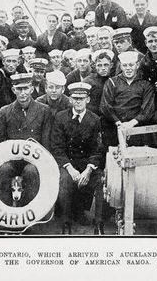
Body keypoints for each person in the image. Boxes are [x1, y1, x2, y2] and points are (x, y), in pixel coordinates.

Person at [51, 82, 104, 234]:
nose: (78, 101)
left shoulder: (94, 119)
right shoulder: (61, 118)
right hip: (68, 164)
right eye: (75, 98)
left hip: (88, 164)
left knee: (101, 181)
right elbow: (57, 148)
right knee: (65, 181)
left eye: (82, 98)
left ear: (88, 99)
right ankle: (66, 222)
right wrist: (70, 168)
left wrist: (88, 170)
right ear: (70, 99)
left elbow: (98, 149)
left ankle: (99, 225)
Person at [0, 73, 51, 206]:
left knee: (31, 172)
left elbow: (46, 142)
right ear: (13, 90)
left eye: (26, 88)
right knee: (3, 170)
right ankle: (5, 211)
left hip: (35, 161)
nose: (23, 93)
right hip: (12, 160)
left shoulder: (44, 110)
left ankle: (28, 213)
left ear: (31, 89)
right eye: (19, 89)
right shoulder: (5, 111)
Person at [100, 51, 155, 148]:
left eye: (131, 65)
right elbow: (105, 106)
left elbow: (147, 109)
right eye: (125, 65)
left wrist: (131, 123)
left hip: (137, 127)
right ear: (121, 66)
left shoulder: (145, 84)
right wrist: (118, 123)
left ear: (137, 65)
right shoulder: (111, 82)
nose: (128, 68)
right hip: (115, 126)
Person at [83, 49, 114, 116]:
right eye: (99, 65)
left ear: (111, 66)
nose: (103, 68)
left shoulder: (114, 80)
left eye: (106, 65)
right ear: (95, 66)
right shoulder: (88, 81)